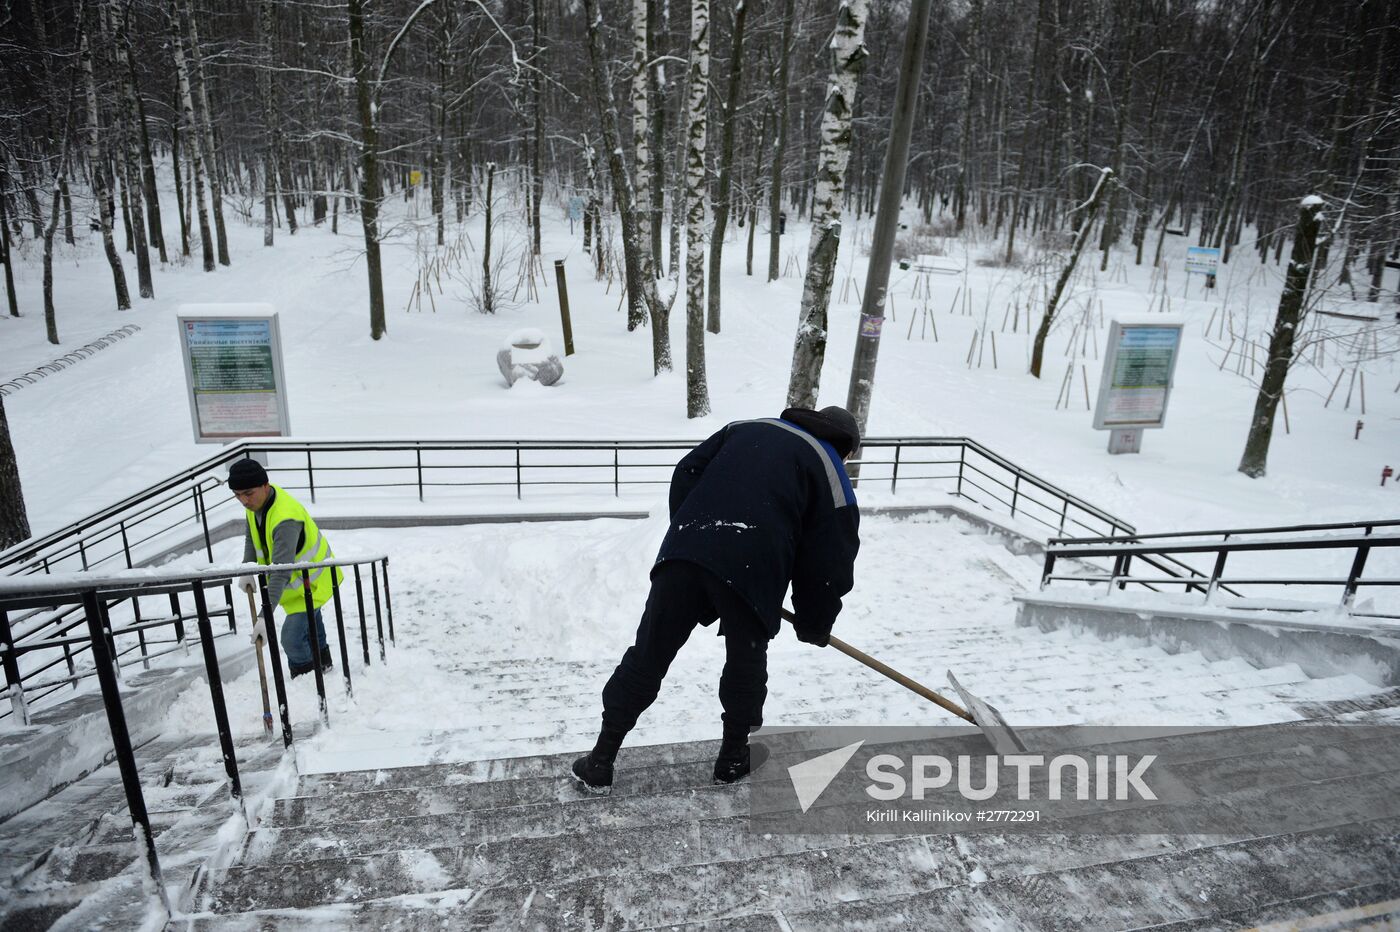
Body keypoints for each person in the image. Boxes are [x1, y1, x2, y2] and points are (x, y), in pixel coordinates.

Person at [572, 406, 862, 793]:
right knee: (745, 661)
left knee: (648, 656)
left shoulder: (744, 428)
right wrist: (815, 619)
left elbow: (687, 470)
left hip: (684, 551)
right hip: (753, 566)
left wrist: (698, 534)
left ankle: (600, 760)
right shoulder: (830, 465)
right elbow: (831, 557)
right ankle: (731, 761)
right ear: (845, 448)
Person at [228, 458, 343, 678]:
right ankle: (324, 668)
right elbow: (251, 536)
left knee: (291, 638)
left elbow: (281, 573)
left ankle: (308, 679)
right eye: (237, 494)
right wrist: (248, 567)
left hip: (312, 583)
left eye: (248, 493)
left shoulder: (285, 519)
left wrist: (264, 618)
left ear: (265, 485)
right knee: (312, 626)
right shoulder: (257, 503)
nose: (243, 500)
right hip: (299, 582)